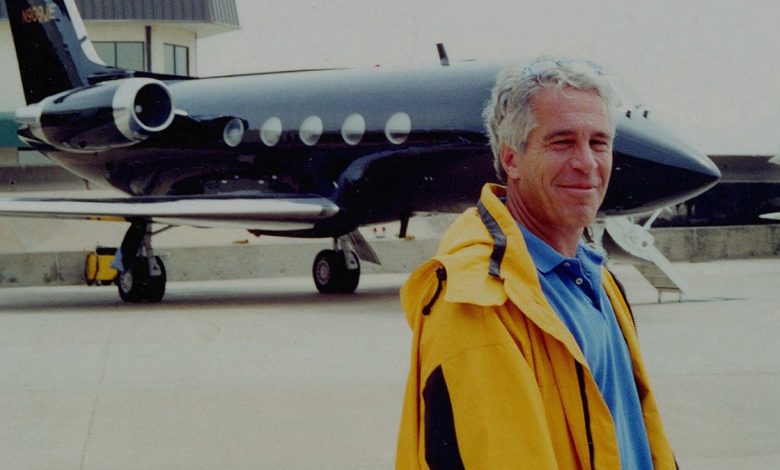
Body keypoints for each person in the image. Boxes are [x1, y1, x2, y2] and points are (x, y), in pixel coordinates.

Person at [395, 57, 676, 469]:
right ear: (510, 159)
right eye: (562, 142)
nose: (587, 163)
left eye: (599, 142)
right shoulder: (476, 298)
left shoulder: (598, 278)